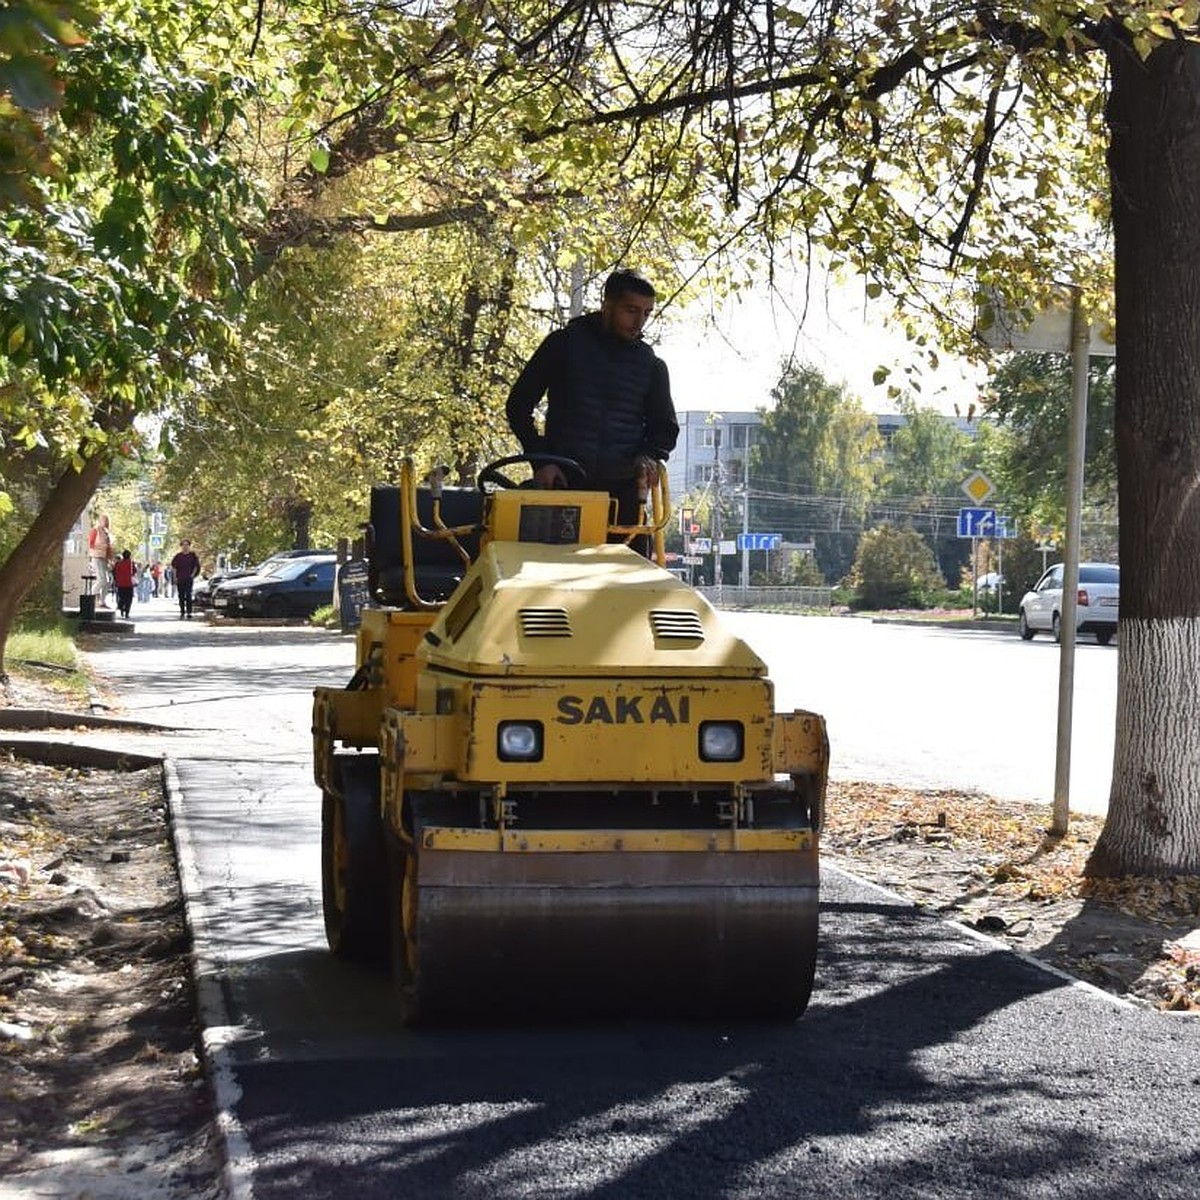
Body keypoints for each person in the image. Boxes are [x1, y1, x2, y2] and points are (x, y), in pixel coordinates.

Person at [505, 268, 678, 547]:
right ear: (607, 305)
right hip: (564, 485)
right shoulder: (563, 346)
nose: (639, 322)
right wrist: (542, 460)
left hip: (623, 495)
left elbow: (665, 428)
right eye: (631, 310)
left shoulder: (651, 366)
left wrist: (649, 454)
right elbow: (518, 405)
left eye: (647, 313)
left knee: (626, 581)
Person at [170, 538, 202, 619]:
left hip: (188, 578)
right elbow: (174, 568)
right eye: (183, 545)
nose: (185, 546)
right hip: (180, 578)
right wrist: (175, 577)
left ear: (189, 546)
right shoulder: (178, 556)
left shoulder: (192, 555)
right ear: (181, 546)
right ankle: (182, 612)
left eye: (187, 545)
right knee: (181, 596)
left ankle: (189, 612)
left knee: (188, 595)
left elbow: (196, 566)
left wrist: (192, 575)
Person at [87, 514, 115, 607]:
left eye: (107, 521)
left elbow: (109, 548)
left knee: (108, 581)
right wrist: (103, 547)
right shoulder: (95, 530)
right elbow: (91, 544)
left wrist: (111, 559)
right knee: (102, 579)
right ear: (100, 521)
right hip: (97, 557)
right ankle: (90, 596)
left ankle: (102, 602)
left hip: (104, 558)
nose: (106, 522)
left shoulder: (106, 533)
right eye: (104, 520)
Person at [112, 550, 136, 619]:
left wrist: (116, 580)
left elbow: (114, 572)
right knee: (129, 599)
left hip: (120, 584)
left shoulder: (118, 563)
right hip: (129, 584)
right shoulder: (131, 563)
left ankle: (121, 607)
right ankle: (127, 613)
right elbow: (134, 571)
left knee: (122, 597)